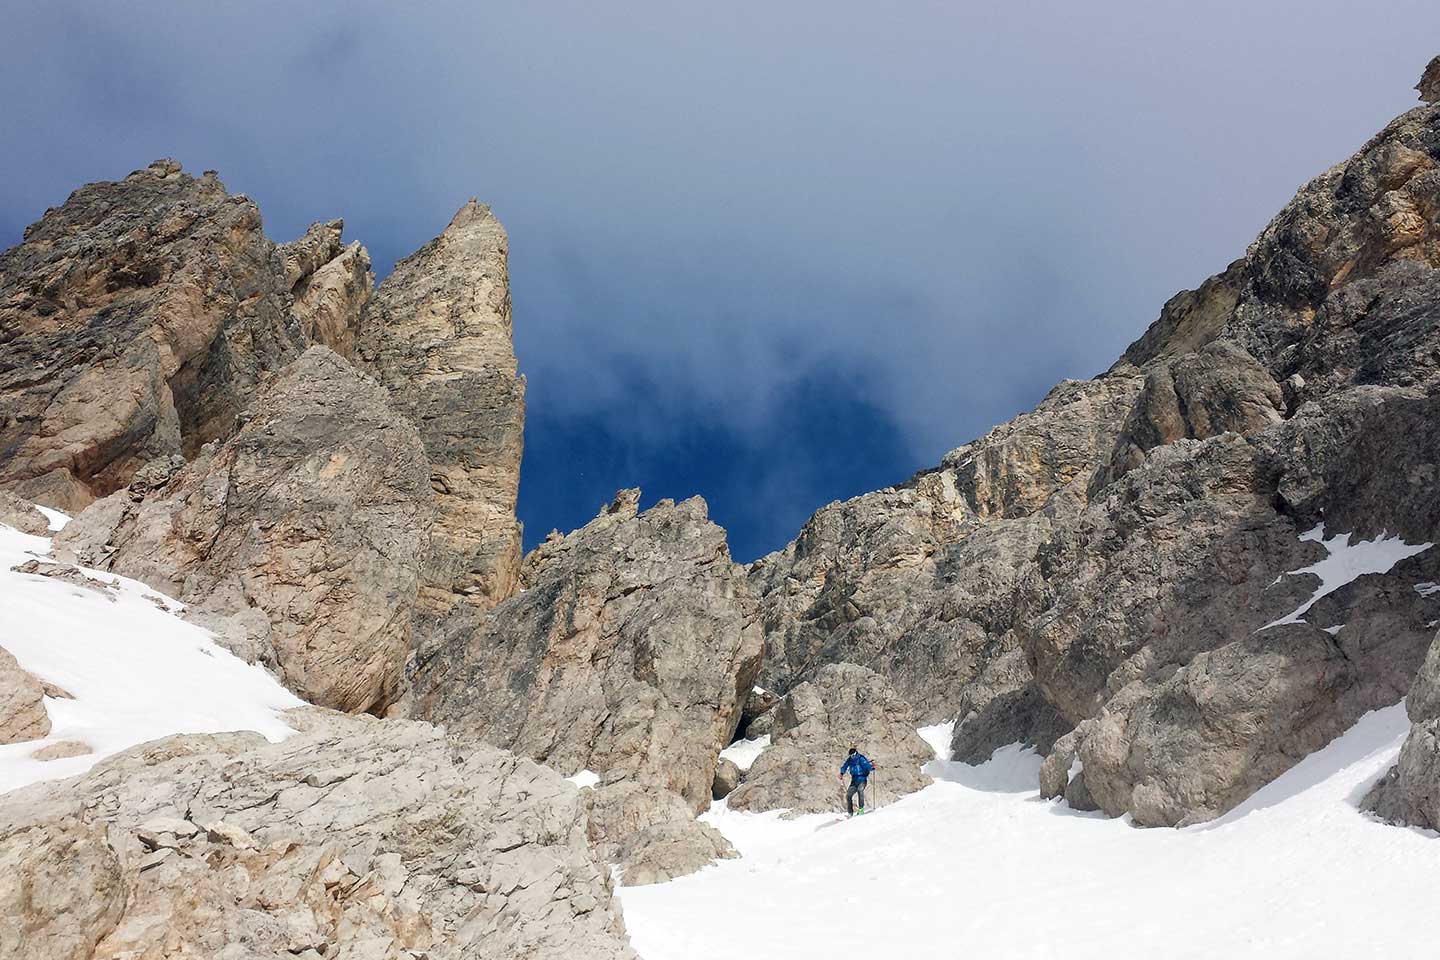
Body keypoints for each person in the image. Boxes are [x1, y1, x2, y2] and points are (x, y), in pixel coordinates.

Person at [839, 747, 875, 816]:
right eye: (850, 755)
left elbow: (867, 766)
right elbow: (845, 766)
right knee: (848, 795)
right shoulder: (849, 760)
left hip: (862, 779)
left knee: (860, 790)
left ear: (855, 753)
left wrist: (872, 767)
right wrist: (841, 773)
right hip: (854, 780)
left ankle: (861, 810)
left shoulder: (861, 758)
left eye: (853, 755)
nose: (852, 757)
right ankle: (850, 813)